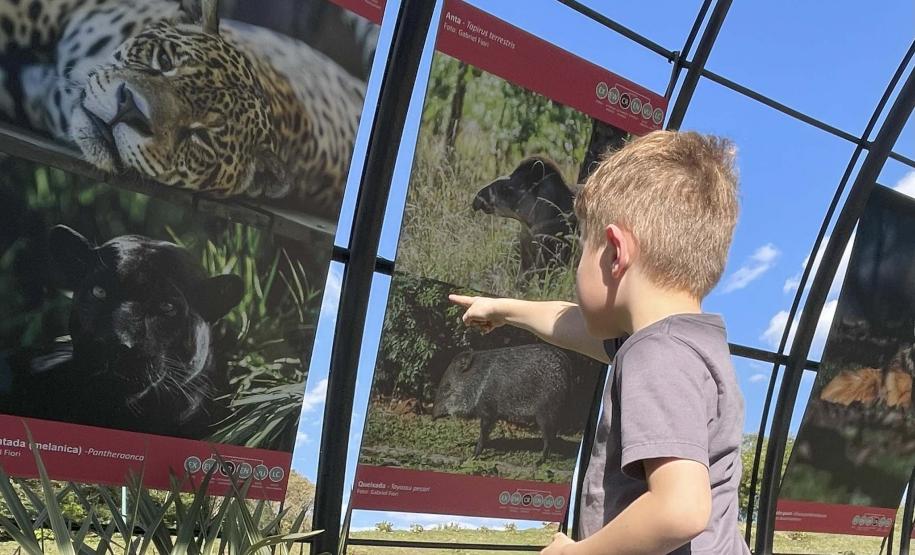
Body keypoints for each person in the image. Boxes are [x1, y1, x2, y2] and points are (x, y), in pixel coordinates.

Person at [450, 130, 750, 554]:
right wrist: (503, 309)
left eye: (582, 251)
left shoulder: (656, 355)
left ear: (614, 253)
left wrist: (576, 553)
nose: (578, 267)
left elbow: (680, 509)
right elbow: (574, 325)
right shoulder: (686, 344)